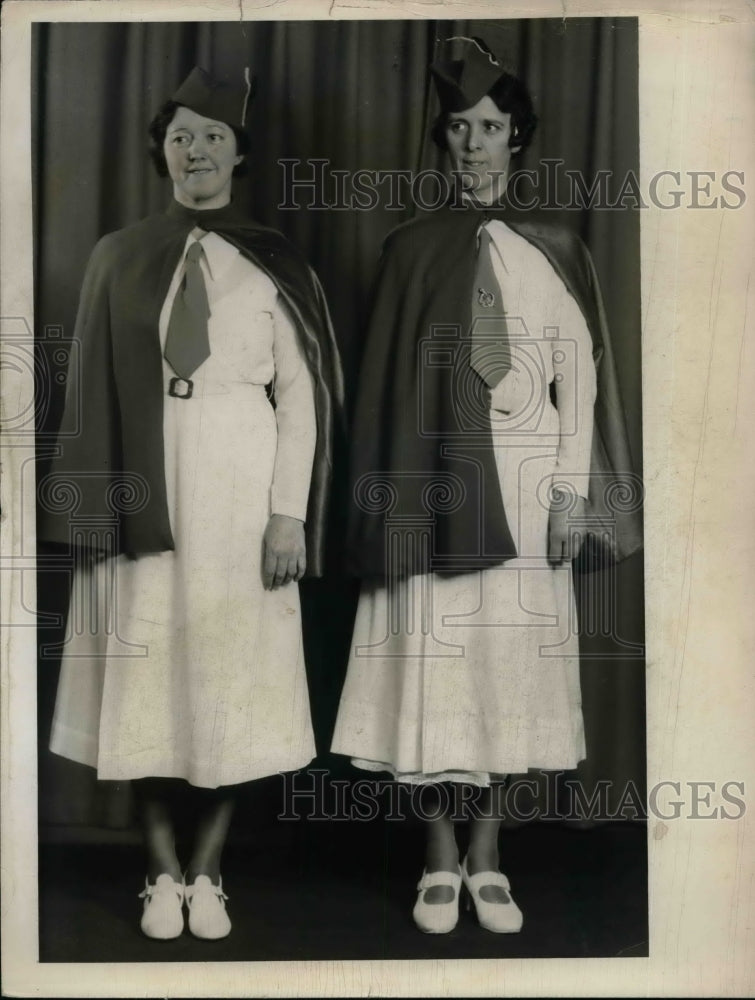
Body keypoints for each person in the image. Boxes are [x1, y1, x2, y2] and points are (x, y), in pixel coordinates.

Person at [331, 37, 641, 934]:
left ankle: (490, 851)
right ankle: (436, 855)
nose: (474, 144)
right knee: (435, 662)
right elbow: (390, 392)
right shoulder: (407, 249)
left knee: (508, 668)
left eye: (492, 127)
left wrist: (571, 496)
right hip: (432, 484)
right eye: (460, 128)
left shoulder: (555, 250)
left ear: (517, 140)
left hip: (529, 473)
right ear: (443, 141)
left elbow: (576, 380)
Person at [39, 66, 343, 941]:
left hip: (241, 498)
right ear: (161, 153)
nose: (195, 149)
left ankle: (209, 872)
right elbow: (93, 393)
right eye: (180, 135)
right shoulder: (118, 255)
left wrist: (289, 513)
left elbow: (303, 394)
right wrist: (96, 508)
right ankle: (159, 873)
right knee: (146, 685)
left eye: (212, 135)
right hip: (145, 490)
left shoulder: (271, 262)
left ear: (238, 153)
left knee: (228, 685)